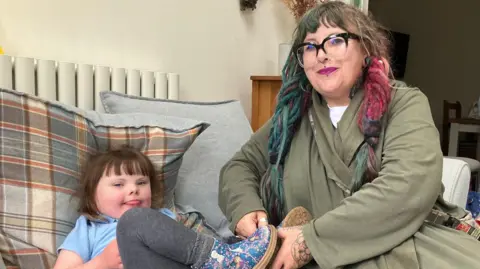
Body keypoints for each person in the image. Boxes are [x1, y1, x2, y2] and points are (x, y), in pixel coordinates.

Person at [218, 2, 480, 269]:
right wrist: (246, 209)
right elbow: (238, 166)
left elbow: (406, 186)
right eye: (309, 47)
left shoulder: (404, 104)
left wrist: (311, 240)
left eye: (335, 40)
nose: (321, 55)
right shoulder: (289, 119)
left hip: (405, 247)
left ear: (366, 48)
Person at [53, 146, 278, 269]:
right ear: (92, 198)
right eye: (119, 184)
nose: (133, 190)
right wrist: (101, 264)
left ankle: (257, 250)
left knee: (220, 245)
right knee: (135, 221)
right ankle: (237, 257)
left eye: (141, 183)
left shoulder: (161, 217)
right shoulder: (89, 228)